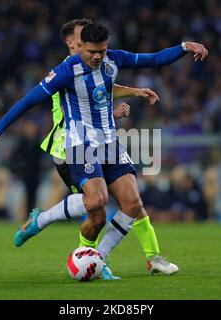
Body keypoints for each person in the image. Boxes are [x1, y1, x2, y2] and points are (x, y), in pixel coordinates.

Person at [0, 22, 208, 279]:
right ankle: (41, 220)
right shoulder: (66, 71)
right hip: (80, 143)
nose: (97, 56)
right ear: (81, 48)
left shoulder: (114, 59)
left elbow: (154, 59)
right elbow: (28, 100)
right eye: (92, 51)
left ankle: (97, 259)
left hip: (110, 141)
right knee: (97, 202)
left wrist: (184, 47)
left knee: (133, 204)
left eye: (101, 50)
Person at [38, 19, 179, 276]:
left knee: (132, 202)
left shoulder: (101, 63)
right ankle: (52, 229)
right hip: (71, 148)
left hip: (104, 141)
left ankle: (135, 258)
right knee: (96, 210)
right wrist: (115, 110)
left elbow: (101, 92)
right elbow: (85, 108)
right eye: (81, 38)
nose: (92, 48)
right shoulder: (63, 74)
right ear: (71, 42)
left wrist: (130, 95)